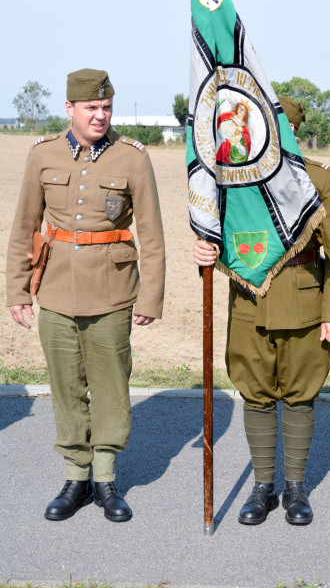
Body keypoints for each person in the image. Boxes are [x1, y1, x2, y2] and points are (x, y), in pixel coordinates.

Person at [6, 68, 165, 523]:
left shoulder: (132, 157)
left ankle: (106, 479)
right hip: (54, 289)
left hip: (113, 292)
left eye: (106, 107)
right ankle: (76, 477)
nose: (101, 115)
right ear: (70, 109)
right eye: (92, 108)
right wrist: (17, 289)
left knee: (111, 386)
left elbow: (151, 236)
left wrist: (149, 299)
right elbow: (23, 229)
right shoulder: (43, 155)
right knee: (66, 386)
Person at [194, 95, 330, 526]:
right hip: (249, 302)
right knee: (256, 391)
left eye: (282, 129)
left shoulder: (321, 179)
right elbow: (215, 236)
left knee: (300, 393)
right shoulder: (230, 183)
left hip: (304, 302)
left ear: (291, 132)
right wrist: (204, 251)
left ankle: (295, 487)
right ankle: (263, 485)